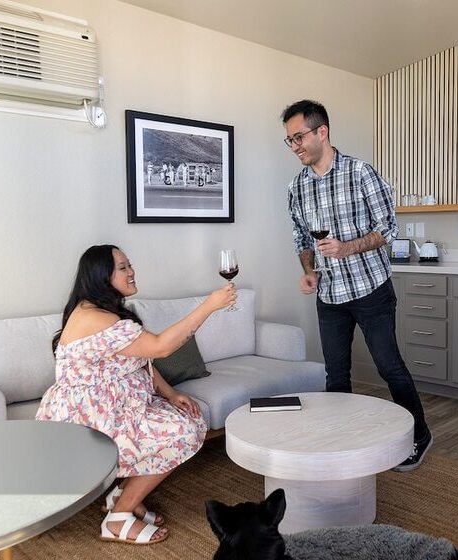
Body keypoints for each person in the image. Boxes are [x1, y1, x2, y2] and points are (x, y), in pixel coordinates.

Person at [35, 244, 236, 545]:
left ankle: (120, 496)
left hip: (120, 404)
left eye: (130, 265)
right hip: (89, 416)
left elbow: (138, 358)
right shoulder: (93, 317)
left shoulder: (105, 310)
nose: (131, 272)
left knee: (187, 418)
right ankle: (117, 519)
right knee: (182, 432)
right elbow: (159, 347)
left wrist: (169, 393)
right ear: (101, 276)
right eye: (123, 267)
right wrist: (209, 305)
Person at [282, 99, 432, 472]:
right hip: (330, 295)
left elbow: (388, 229)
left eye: (299, 136)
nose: (295, 145)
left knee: (389, 367)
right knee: (337, 374)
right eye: (289, 140)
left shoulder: (360, 173)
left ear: (322, 132)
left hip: (370, 289)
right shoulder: (297, 187)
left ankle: (420, 435)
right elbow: (301, 239)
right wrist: (309, 270)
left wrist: (347, 247)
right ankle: (342, 441)